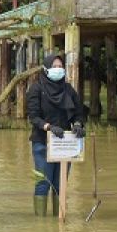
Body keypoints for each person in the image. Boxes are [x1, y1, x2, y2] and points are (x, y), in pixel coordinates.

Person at [25, 51, 84, 217]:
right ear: (46, 69)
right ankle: (41, 224)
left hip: (65, 142)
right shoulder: (36, 89)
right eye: (54, 66)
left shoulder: (69, 90)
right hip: (43, 142)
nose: (58, 69)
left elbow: (79, 112)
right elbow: (33, 116)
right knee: (43, 182)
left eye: (60, 66)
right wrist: (48, 127)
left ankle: (59, 220)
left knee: (61, 184)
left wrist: (78, 124)